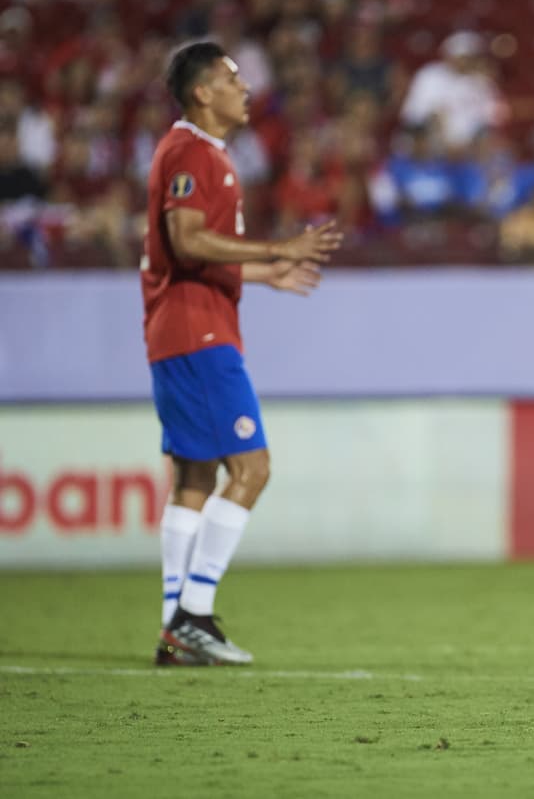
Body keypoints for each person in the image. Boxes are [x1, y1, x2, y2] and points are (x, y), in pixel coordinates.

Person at [143, 41, 343, 666]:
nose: (245, 87)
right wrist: (275, 248)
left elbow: (191, 255)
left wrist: (265, 273)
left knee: (196, 478)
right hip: (199, 335)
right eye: (231, 78)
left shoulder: (202, 154)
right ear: (203, 92)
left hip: (181, 330)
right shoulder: (190, 152)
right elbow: (187, 240)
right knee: (251, 470)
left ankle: (174, 626)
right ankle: (193, 615)